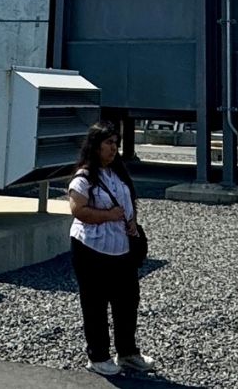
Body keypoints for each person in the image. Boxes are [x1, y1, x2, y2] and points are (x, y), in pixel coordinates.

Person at [67, 122, 156, 376]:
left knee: (127, 301)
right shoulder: (83, 177)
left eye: (115, 143)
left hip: (121, 247)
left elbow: (127, 204)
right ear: (95, 146)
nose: (113, 148)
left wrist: (130, 223)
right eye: (108, 143)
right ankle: (98, 356)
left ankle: (127, 352)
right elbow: (78, 210)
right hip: (90, 248)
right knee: (95, 303)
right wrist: (109, 215)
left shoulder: (117, 173)